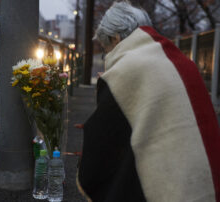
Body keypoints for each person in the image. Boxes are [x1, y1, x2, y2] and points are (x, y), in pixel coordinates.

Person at [77, 1, 220, 202]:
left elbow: (104, 143)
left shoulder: (127, 69)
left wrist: (108, 87)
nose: (108, 56)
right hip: (205, 181)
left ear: (115, 38)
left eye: (106, 48)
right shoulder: (180, 60)